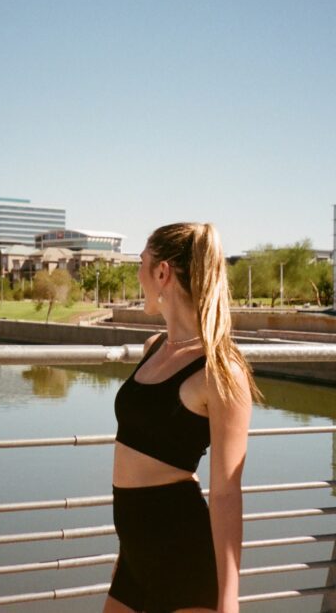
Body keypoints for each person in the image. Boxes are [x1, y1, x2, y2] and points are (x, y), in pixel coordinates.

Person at [104, 222, 261, 613]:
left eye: (141, 263)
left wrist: (229, 597)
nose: (137, 275)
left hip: (182, 555)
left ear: (162, 272)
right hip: (136, 555)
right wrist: (130, 550)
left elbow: (226, 492)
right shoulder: (154, 346)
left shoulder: (221, 371)